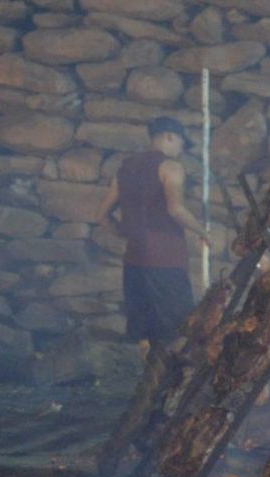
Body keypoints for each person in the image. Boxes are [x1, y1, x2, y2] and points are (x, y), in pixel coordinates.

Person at [96, 115, 210, 352]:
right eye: (181, 143)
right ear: (169, 136)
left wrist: (124, 234)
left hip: (134, 261)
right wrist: (204, 232)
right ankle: (174, 384)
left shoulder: (125, 170)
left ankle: (150, 384)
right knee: (179, 329)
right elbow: (175, 208)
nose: (181, 150)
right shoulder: (170, 166)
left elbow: (101, 216)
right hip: (165, 261)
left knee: (144, 332)